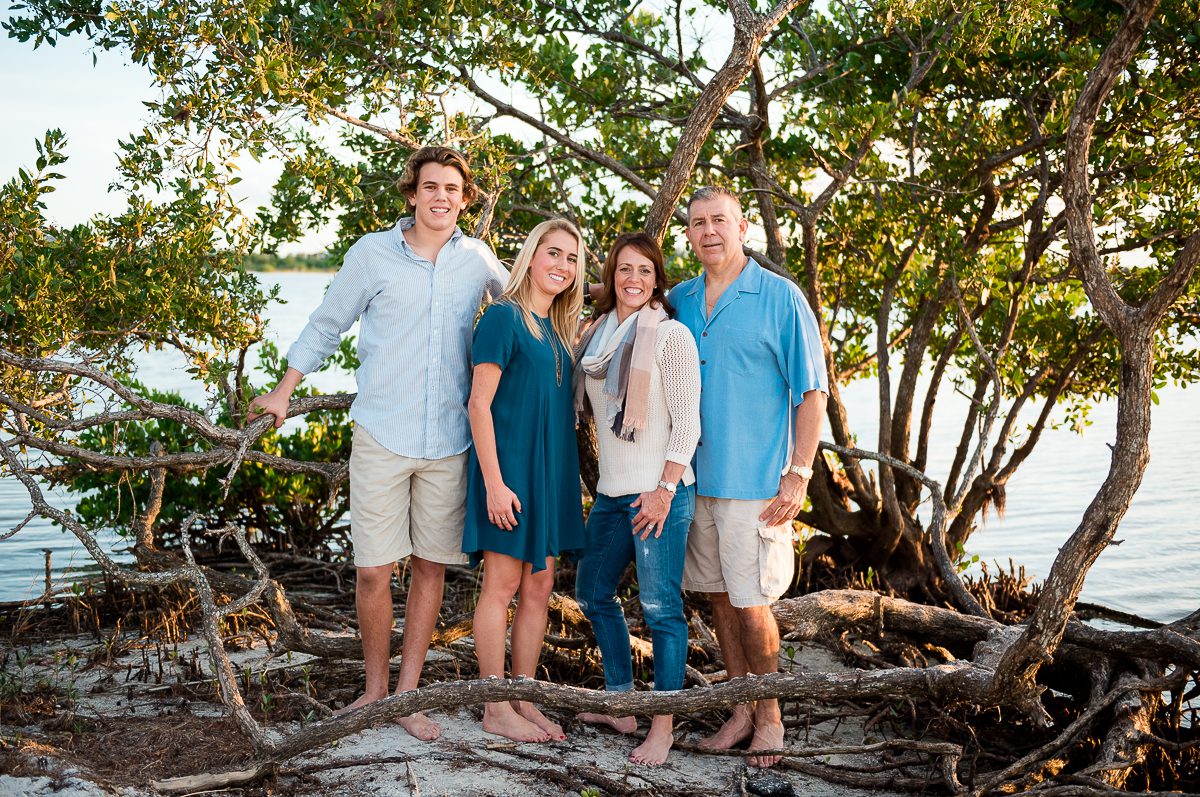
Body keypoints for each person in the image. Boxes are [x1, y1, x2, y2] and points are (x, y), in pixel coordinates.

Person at [247, 146, 507, 741]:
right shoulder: (372, 254)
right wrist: (285, 390)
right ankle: (372, 691)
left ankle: (405, 697)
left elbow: (525, 310)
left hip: (449, 441)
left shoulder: (478, 260)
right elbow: (326, 321)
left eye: (452, 189)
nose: (441, 197)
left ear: (465, 201)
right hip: (382, 434)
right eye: (431, 187)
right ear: (411, 194)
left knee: (429, 568)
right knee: (371, 572)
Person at [669, 186, 828, 768]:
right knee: (717, 597)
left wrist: (798, 474)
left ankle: (772, 718)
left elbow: (811, 393)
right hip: (691, 480)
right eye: (697, 223)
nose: (708, 231)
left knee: (753, 603)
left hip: (756, 483)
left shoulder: (781, 298)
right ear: (688, 234)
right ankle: (740, 708)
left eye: (719, 220)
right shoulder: (680, 299)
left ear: (741, 228)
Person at [572, 233, 702, 766]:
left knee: (661, 610)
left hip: (658, 494)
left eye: (644, 271)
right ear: (610, 277)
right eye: (624, 269)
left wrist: (665, 489)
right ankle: (622, 702)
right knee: (592, 593)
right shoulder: (596, 337)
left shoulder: (669, 335)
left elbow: (686, 423)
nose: (633, 279)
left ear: (657, 279)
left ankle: (662, 726)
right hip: (611, 493)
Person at [463, 218, 586, 743]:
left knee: (540, 588)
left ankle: (523, 696)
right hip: (509, 473)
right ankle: (494, 707)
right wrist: (494, 483)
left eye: (572, 259)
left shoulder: (559, 332)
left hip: (551, 478)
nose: (561, 266)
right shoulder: (502, 319)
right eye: (552, 253)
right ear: (531, 257)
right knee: (502, 587)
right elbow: (478, 404)